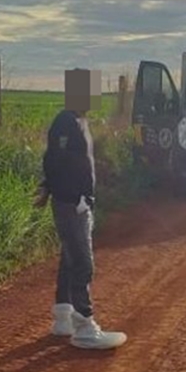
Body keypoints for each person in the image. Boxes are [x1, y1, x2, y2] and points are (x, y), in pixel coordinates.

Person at [33, 71, 127, 350]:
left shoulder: (79, 121)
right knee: (83, 263)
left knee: (70, 256)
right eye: (87, 91)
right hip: (72, 202)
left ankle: (63, 316)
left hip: (75, 200)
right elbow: (54, 160)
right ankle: (85, 325)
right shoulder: (65, 122)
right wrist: (60, 191)